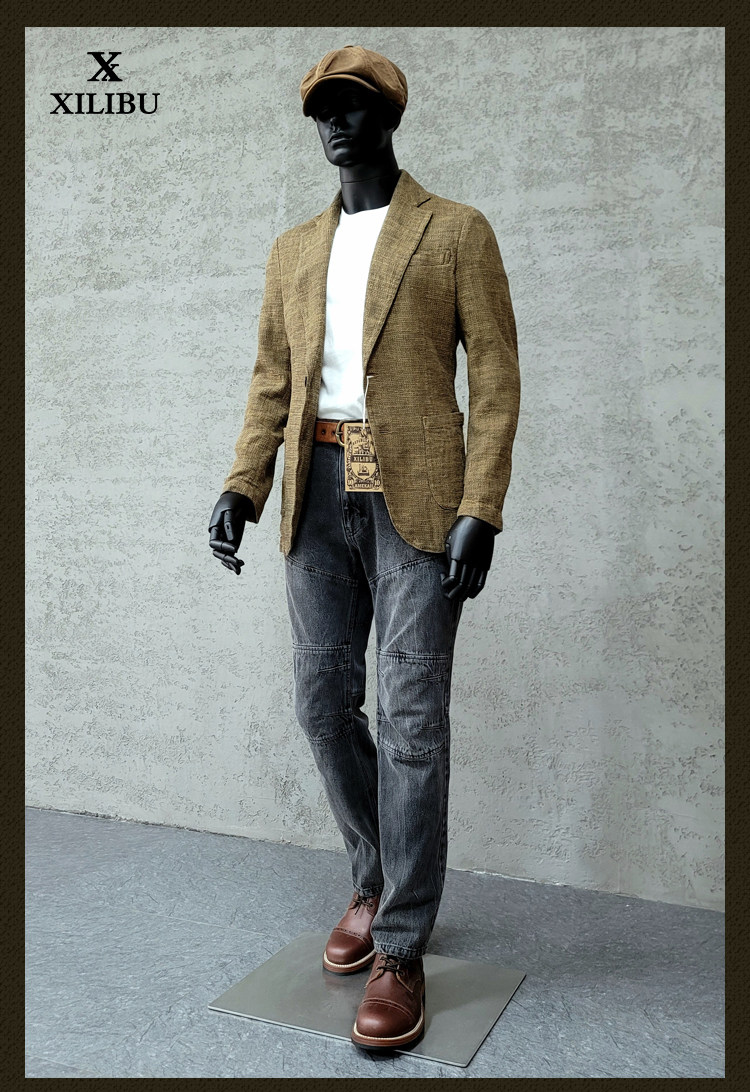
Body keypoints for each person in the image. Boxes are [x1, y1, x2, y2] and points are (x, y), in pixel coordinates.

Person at [209, 44, 521, 1052]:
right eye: (322, 110)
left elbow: (497, 378)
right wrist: (243, 484)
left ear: (389, 117)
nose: (335, 124)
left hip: (419, 498)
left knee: (413, 718)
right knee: (321, 702)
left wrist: (483, 504)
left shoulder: (455, 231)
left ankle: (400, 945)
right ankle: (374, 875)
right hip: (317, 491)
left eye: (352, 107)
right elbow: (271, 378)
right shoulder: (294, 249)